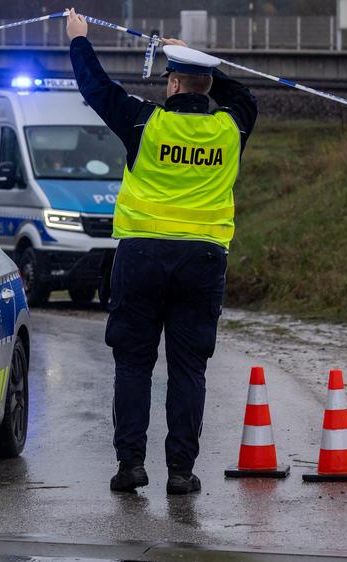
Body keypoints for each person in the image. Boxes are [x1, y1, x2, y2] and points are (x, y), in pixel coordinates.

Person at [65, 8, 258, 495]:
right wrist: (198, 61)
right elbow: (245, 97)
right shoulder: (231, 129)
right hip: (203, 261)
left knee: (133, 365)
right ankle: (180, 471)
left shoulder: (142, 123)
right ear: (206, 87)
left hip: (142, 258)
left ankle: (130, 467)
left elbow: (96, 88)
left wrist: (78, 40)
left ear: (172, 85)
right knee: (189, 369)